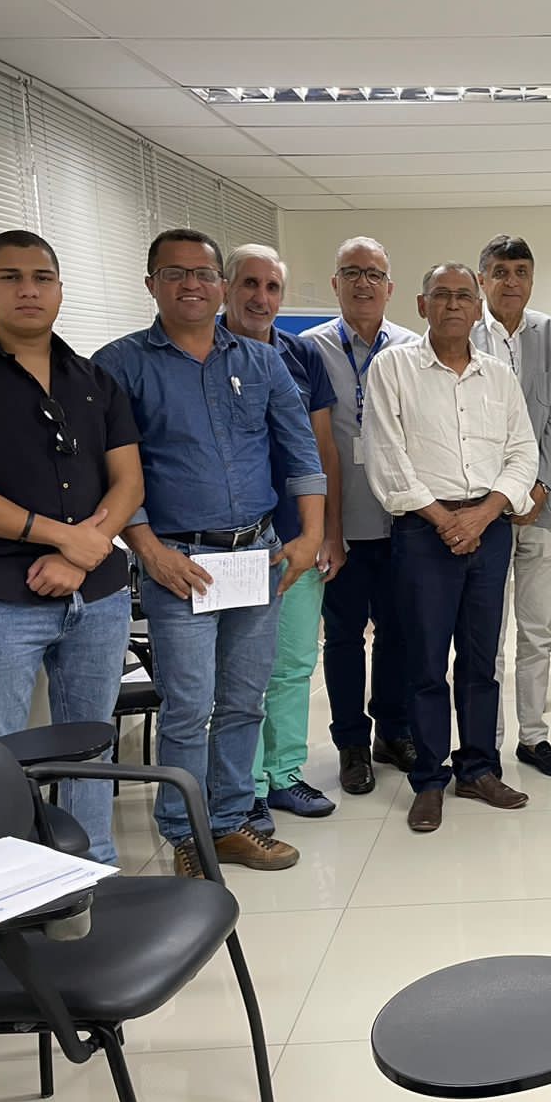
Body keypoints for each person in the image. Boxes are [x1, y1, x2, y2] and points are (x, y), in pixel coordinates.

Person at [0, 229, 143, 867]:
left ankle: (93, 872)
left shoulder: (94, 380)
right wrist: (65, 536)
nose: (28, 290)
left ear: (60, 290)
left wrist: (81, 553)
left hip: (97, 596)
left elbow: (128, 481)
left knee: (92, 746)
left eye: (42, 278)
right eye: (11, 278)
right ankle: (4, 883)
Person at [94, 228, 323, 877]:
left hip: (255, 557)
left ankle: (229, 822)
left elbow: (301, 451)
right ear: (151, 284)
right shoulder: (119, 365)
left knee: (245, 700)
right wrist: (146, 549)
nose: (191, 284)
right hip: (179, 563)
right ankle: (185, 835)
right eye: (175, 273)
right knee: (189, 707)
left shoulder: (261, 361)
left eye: (203, 273)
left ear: (220, 286)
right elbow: (111, 469)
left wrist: (309, 535)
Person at [364, 263, 539, 833]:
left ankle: (478, 769)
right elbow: (387, 456)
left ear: (478, 306)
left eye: (465, 295)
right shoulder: (393, 368)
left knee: (482, 659)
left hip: (490, 528)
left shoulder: (499, 376)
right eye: (442, 295)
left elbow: (523, 453)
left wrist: (484, 514)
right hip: (423, 530)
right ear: (422, 304)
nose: (454, 304)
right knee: (425, 661)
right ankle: (429, 779)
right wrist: (444, 520)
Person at [220, 243, 339, 830]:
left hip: (296, 539)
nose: (260, 297)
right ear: (225, 288)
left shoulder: (301, 355)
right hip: (228, 546)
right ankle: (244, 788)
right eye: (249, 284)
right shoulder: (204, 352)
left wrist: (328, 532)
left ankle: (285, 773)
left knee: (293, 664)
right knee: (239, 676)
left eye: (271, 287)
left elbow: (322, 448)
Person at [302, 237, 421, 795]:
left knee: (399, 634)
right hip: (341, 525)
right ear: (336, 283)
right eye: (352, 272)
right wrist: (322, 531)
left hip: (401, 522)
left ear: (390, 287)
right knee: (344, 637)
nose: (363, 283)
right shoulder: (308, 349)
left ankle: (392, 732)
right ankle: (351, 743)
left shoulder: (413, 348)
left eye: (374, 273)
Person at [471, 235, 551, 779]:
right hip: (482, 509)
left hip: (542, 505)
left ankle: (533, 737)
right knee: (487, 636)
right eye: (501, 271)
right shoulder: (462, 331)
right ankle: (485, 744)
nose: (511, 281)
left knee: (537, 631)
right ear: (482, 279)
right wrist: (499, 496)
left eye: (521, 272)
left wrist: (539, 486)